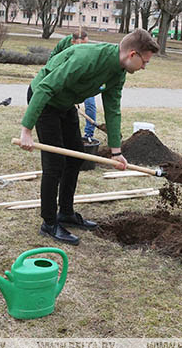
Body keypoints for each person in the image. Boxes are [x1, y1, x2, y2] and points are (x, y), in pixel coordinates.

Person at [19, 29, 160, 245]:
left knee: (76, 157)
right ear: (133, 54)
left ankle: (65, 213)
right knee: (54, 163)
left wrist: (116, 151)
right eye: (145, 62)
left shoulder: (118, 72)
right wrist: (26, 130)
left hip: (65, 102)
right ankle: (48, 222)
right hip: (45, 98)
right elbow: (46, 87)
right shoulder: (87, 58)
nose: (144, 67)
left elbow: (113, 109)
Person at [50, 30, 98, 141]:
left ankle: (89, 134)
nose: (85, 48)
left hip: (84, 78)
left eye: (86, 44)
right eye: (81, 44)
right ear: (73, 41)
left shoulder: (88, 49)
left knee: (90, 104)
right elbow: (52, 59)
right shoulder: (64, 44)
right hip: (65, 77)